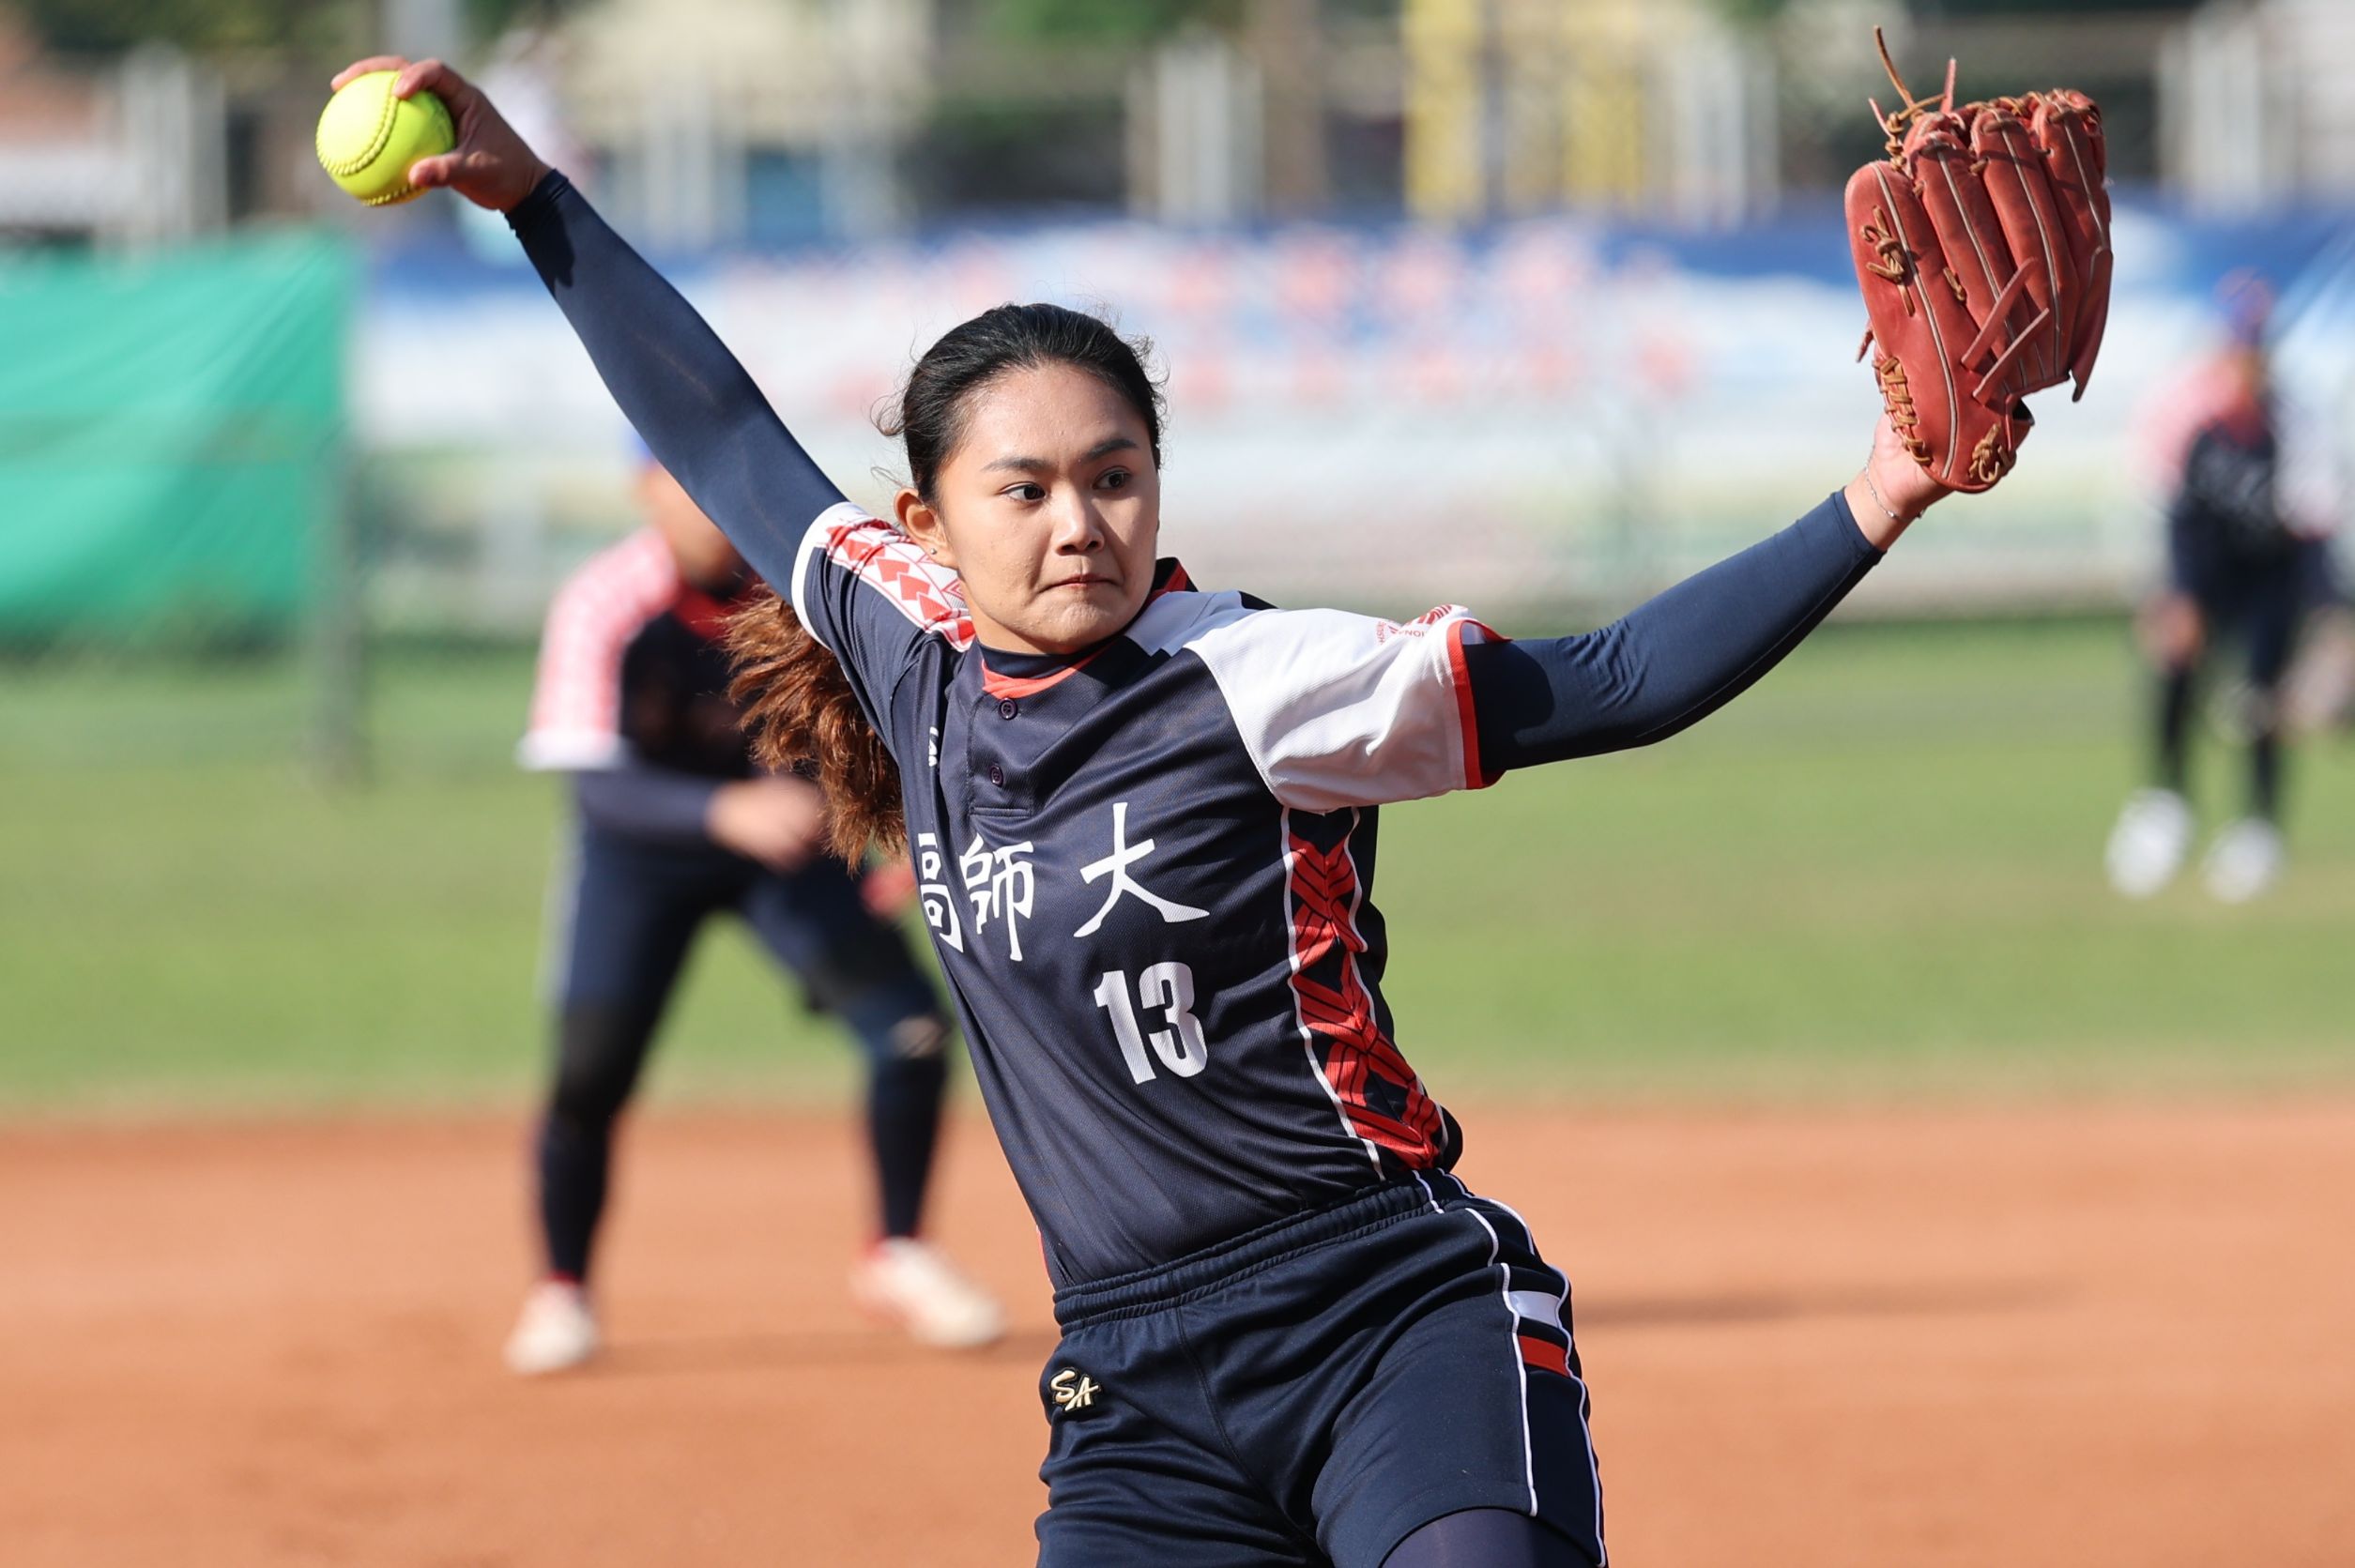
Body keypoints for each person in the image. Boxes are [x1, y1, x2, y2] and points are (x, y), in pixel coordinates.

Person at [346, 53, 1965, 1565]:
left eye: (1113, 477)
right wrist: (529, 195)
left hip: (1385, 1315)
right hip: (1130, 1386)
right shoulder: (899, 643)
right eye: (1024, 488)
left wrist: (1880, 490)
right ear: (928, 518)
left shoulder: (1264, 679)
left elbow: (1611, 679)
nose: (1077, 525)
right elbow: (715, 428)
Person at [505, 452, 1002, 1374]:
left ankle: (898, 1253)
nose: (702, 505)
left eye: (712, 482)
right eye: (677, 482)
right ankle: (562, 1291)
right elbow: (589, 782)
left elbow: (881, 726)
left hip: (786, 854)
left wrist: (897, 840)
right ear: (642, 493)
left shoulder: (792, 594)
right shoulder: (607, 600)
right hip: (640, 859)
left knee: (911, 1034)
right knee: (589, 1077)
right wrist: (719, 811)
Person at [2105, 282, 2315, 903]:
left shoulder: (2291, 417)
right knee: (2175, 672)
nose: (2246, 360)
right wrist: (2168, 594)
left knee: (2260, 694)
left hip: (2266, 576)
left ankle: (2257, 826)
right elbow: (2152, 501)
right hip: (2195, 567)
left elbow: (2312, 519)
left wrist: (2331, 621)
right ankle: (2163, 806)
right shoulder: (2179, 405)